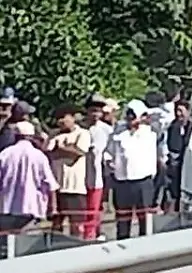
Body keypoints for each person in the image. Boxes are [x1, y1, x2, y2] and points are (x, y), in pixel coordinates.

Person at [106, 100, 162, 239]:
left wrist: (144, 118)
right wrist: (109, 163)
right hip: (122, 181)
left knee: (145, 220)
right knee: (123, 220)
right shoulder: (118, 133)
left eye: (133, 115)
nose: (130, 118)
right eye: (128, 115)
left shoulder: (149, 133)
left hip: (143, 181)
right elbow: (109, 152)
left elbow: (160, 117)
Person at [46, 105, 92, 236]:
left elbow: (79, 152)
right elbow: (48, 153)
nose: (60, 121)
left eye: (63, 117)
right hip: (57, 188)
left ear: (72, 118)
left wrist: (62, 148)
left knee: (77, 225)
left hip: (75, 188)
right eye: (58, 118)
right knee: (56, 225)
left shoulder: (82, 133)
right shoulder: (53, 135)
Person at [0, 122, 59, 223]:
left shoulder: (5, 154)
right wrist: (53, 207)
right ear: (31, 137)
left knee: (6, 237)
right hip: (32, 209)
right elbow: (50, 184)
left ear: (15, 135)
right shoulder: (39, 156)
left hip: (6, 207)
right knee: (30, 238)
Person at [82, 94, 115, 240]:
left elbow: (110, 150)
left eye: (98, 111)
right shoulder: (81, 128)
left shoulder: (106, 130)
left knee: (95, 206)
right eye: (92, 110)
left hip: (98, 174)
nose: (95, 114)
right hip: (80, 173)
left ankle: (92, 233)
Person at [163, 99, 192, 212]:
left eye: (181, 110)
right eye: (177, 110)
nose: (178, 114)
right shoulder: (172, 127)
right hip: (174, 165)